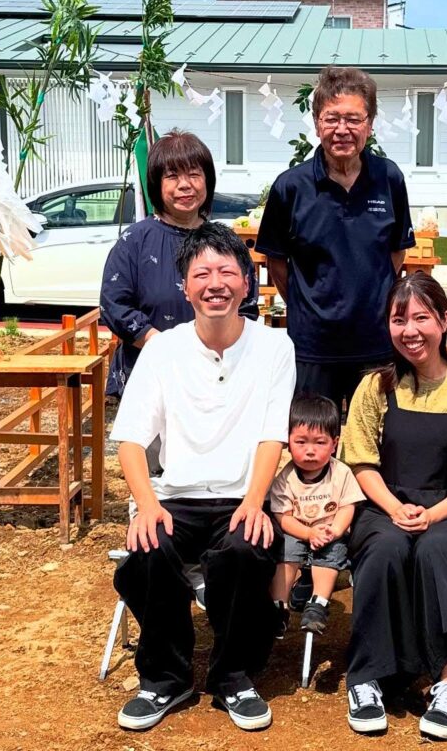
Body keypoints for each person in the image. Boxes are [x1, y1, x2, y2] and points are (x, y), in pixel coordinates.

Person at [110, 223, 295, 734]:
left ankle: (234, 674)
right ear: (185, 287)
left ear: (248, 283)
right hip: (177, 495)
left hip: (241, 492)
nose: (216, 283)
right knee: (150, 549)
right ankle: (166, 677)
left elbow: (270, 436)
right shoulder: (162, 351)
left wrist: (256, 501)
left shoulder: (276, 349)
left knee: (245, 548)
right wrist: (147, 504)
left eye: (227, 272)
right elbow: (129, 440)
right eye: (202, 273)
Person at [341, 273, 447, 741]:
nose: (409, 330)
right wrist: (395, 508)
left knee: (438, 551)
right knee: (386, 548)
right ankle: (368, 677)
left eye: (421, 318)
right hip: (384, 504)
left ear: (444, 321)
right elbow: (362, 461)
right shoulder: (375, 387)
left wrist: (432, 515)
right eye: (398, 319)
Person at [256, 64, 416, 414]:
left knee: (375, 445)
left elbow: (395, 254)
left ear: (370, 124)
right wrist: (309, 305)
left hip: (376, 344)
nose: (342, 129)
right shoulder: (290, 187)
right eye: (331, 118)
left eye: (353, 119)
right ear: (317, 123)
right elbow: (277, 263)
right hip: (312, 347)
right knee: (313, 448)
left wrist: (370, 299)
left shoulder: (389, 179)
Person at [100, 129, 257, 399]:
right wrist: (163, 346)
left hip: (216, 374)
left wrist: (213, 351)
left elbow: (247, 305)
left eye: (194, 174)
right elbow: (115, 305)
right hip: (150, 374)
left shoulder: (225, 241)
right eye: (172, 176)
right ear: (156, 185)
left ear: (207, 181)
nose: (185, 185)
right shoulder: (135, 241)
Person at [269, 393, 365, 637]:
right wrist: (308, 532)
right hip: (297, 530)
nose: (310, 451)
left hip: (330, 531)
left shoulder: (341, 473)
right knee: (285, 551)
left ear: (334, 443)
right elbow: (284, 516)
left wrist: (335, 531)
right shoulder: (285, 477)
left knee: (331, 553)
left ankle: (318, 603)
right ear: (288, 442)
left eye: (319, 443)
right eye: (301, 442)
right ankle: (278, 605)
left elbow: (347, 506)